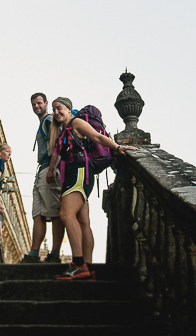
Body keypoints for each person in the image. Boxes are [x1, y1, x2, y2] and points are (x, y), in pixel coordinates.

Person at [46, 97, 137, 280]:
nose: (56, 112)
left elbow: (97, 136)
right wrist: (51, 170)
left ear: (69, 109)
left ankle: (79, 265)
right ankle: (87, 267)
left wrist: (117, 147)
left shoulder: (76, 123)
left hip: (80, 173)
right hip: (74, 175)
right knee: (82, 221)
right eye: (54, 109)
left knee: (66, 215)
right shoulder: (63, 131)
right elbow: (59, 155)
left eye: (60, 108)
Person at [20, 93, 65, 263]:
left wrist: (52, 169)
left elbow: (58, 145)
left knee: (54, 213)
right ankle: (34, 253)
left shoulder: (49, 120)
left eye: (39, 103)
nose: (36, 106)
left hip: (50, 169)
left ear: (46, 103)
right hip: (41, 171)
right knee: (37, 214)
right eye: (33, 104)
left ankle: (54, 253)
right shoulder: (43, 123)